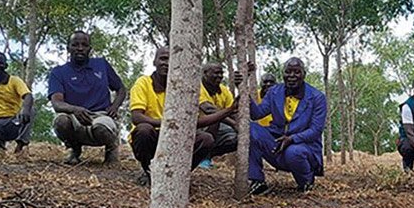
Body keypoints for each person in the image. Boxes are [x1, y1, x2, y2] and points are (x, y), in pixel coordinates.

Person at [129, 47, 235, 187]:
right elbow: (136, 117)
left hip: (176, 137)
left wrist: (228, 111)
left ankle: (179, 174)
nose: (166, 63)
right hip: (153, 135)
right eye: (163, 59)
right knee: (144, 130)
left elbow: (194, 122)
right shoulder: (143, 83)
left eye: (171, 60)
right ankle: (147, 171)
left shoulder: (184, 87)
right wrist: (165, 124)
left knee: (206, 139)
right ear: (154, 62)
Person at [247, 57, 326, 195]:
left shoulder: (317, 97)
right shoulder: (274, 92)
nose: (292, 76)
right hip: (276, 144)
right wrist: (243, 90)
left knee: (293, 152)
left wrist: (292, 139)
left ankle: (306, 182)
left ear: (304, 74)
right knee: (251, 128)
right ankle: (257, 181)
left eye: (297, 72)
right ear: (283, 74)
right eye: (288, 72)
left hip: (302, 147)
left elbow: (316, 130)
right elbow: (257, 114)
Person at [48, 31, 126, 165]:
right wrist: (75, 110)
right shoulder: (58, 72)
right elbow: (56, 103)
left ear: (90, 48)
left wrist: (114, 106)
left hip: (101, 115)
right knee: (60, 121)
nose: (80, 48)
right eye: (75, 45)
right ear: (68, 48)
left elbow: (121, 89)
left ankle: (111, 149)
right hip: (74, 117)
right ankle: (73, 149)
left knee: (102, 128)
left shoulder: (101, 65)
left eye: (84, 45)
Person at [197, 62, 238, 166]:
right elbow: (209, 109)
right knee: (214, 120)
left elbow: (233, 112)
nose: (219, 76)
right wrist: (233, 124)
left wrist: (242, 126)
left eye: (221, 73)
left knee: (238, 138)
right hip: (197, 127)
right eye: (216, 73)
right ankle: (202, 156)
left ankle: (209, 154)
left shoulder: (224, 90)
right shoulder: (197, 87)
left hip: (219, 129)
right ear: (205, 73)